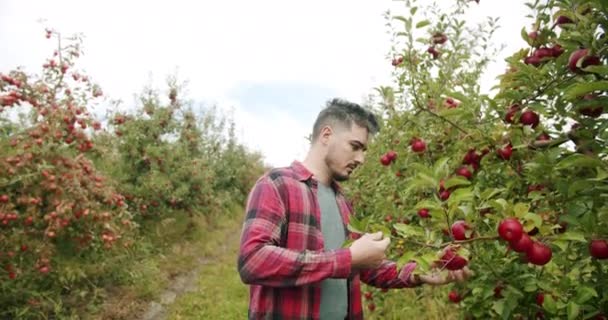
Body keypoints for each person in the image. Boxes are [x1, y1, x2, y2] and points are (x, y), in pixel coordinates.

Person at [237, 98, 473, 320]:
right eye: (355, 146)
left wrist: (421, 272)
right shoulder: (277, 185)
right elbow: (253, 260)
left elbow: (366, 268)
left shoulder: (343, 201)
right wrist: (346, 259)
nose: (361, 159)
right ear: (326, 135)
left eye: (364, 150)